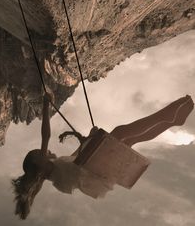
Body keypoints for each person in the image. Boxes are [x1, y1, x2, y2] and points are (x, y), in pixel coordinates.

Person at [12, 93, 194, 219]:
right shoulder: (47, 165)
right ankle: (165, 117)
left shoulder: (52, 174)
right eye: (40, 152)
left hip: (97, 171)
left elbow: (77, 158)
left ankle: (170, 121)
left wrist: (86, 139)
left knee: (130, 140)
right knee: (122, 132)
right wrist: (45, 105)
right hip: (94, 169)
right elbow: (46, 135)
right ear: (37, 160)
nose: (46, 152)